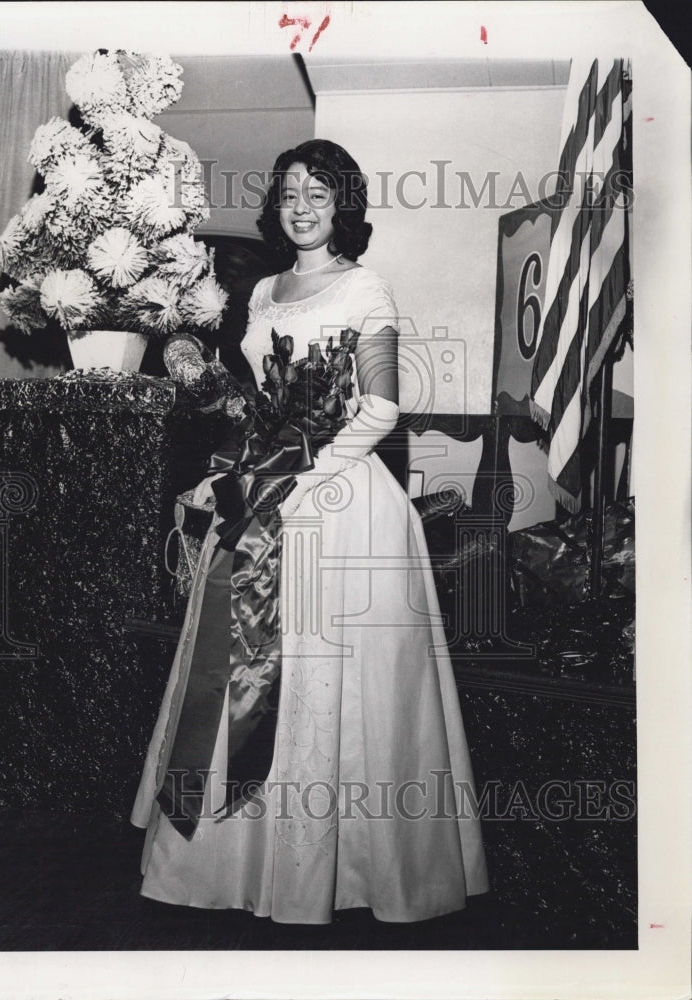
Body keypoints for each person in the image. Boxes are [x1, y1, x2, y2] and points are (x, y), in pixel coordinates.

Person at [131, 139, 489, 924]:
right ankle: (233, 858)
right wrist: (225, 472)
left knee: (333, 683)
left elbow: (382, 406)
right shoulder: (260, 293)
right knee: (236, 659)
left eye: (317, 194)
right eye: (289, 191)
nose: (300, 206)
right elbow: (259, 409)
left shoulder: (367, 289)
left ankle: (349, 867)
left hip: (341, 500)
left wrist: (311, 481)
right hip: (265, 488)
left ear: (343, 207)